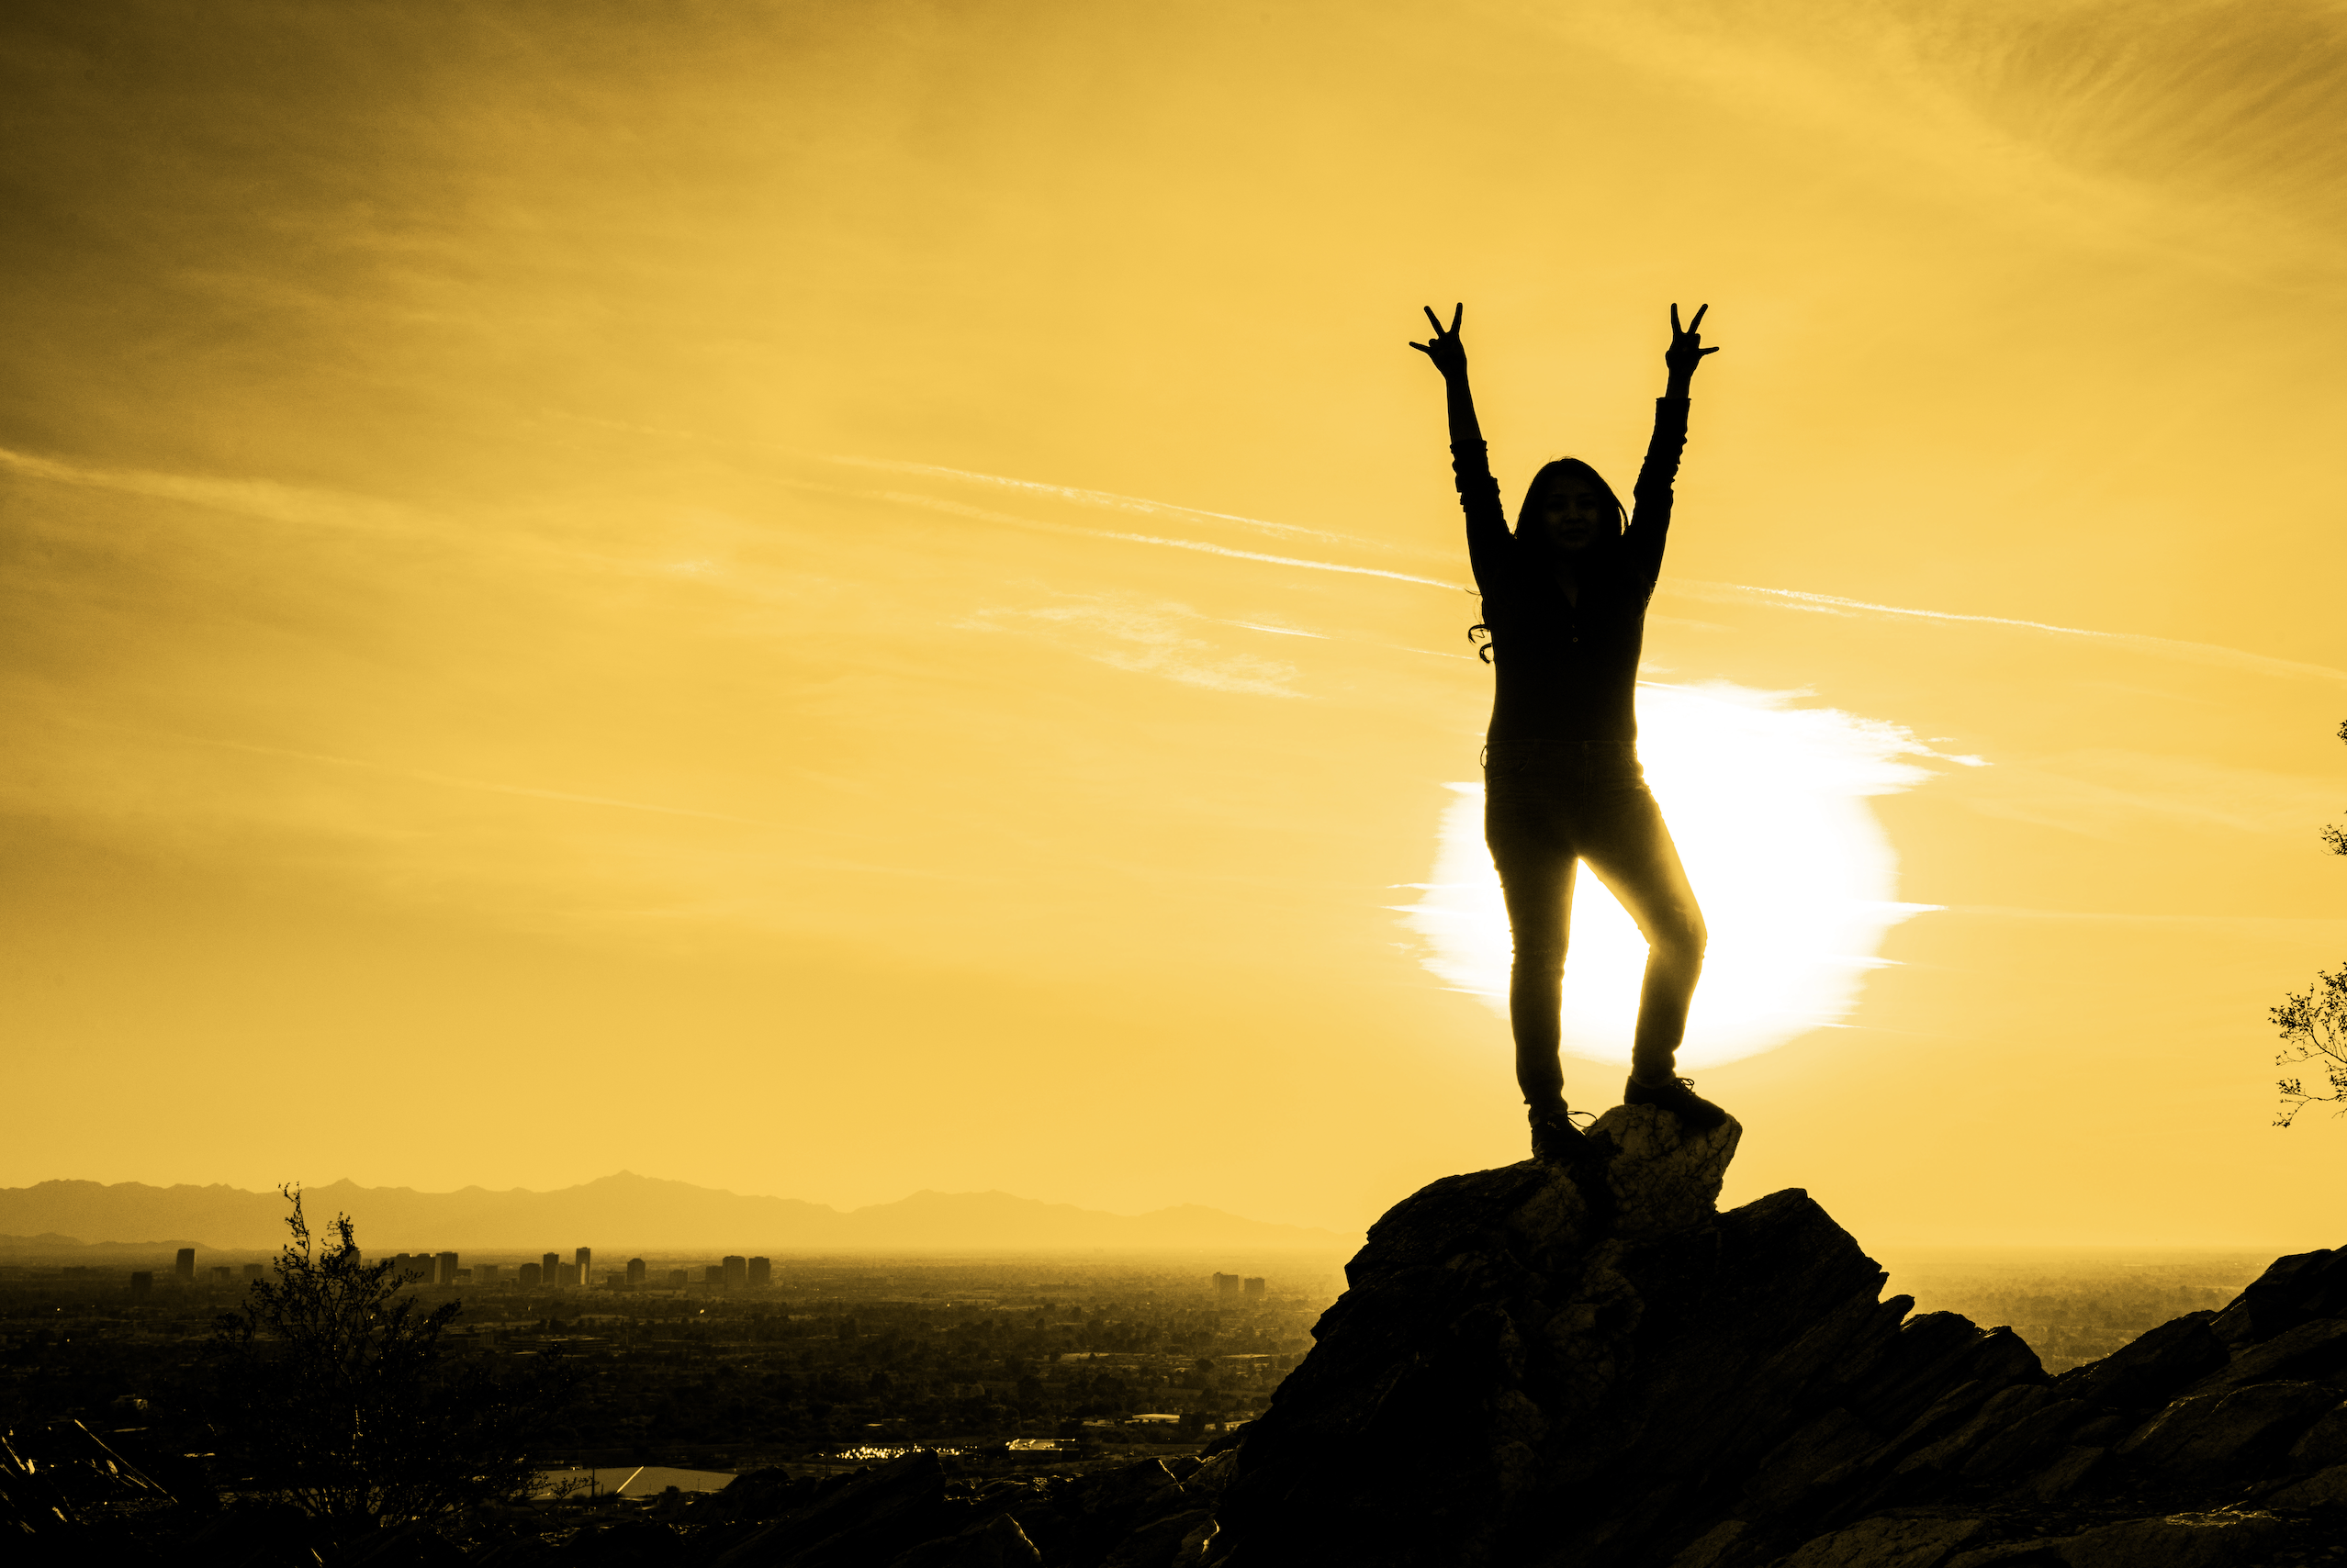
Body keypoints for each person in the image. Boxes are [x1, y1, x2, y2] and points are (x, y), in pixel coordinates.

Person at [1409, 302, 1728, 1163]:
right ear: (1535, 518)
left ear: (1606, 514)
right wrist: (1458, 380)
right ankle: (1548, 1117)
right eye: (1557, 504)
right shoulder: (1505, 578)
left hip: (1616, 783)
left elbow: (1659, 482)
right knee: (1542, 953)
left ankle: (1651, 1075)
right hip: (1525, 784)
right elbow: (1471, 483)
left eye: (1587, 502)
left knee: (1683, 931)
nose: (1574, 513)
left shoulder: (1631, 577)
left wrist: (1678, 385)